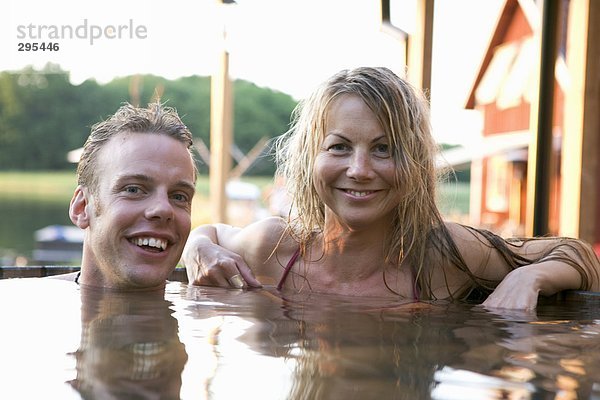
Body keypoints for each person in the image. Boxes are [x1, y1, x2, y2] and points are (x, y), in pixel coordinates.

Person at [181, 67, 600, 310]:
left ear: (416, 163)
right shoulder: (273, 247)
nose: (360, 170)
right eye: (340, 147)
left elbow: (579, 255)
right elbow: (213, 233)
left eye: (385, 149)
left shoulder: (443, 255)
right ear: (311, 159)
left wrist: (530, 277)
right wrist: (198, 245)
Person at [53, 102, 197, 290]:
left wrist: (203, 240)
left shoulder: (211, 311)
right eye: (133, 189)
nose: (163, 209)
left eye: (179, 197)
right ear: (81, 207)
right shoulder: (18, 302)